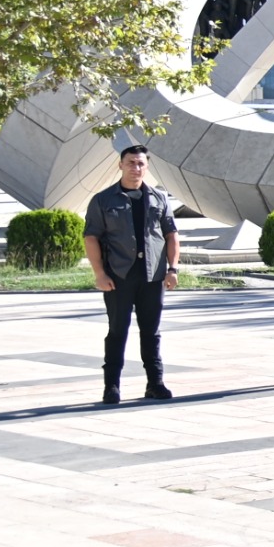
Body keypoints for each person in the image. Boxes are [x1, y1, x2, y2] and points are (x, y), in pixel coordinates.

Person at [83, 142, 180, 404]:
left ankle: (155, 383)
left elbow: (171, 235)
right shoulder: (103, 200)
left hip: (153, 277)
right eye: (131, 163)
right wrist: (100, 274)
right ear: (121, 165)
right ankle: (111, 386)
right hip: (119, 277)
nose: (136, 168)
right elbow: (91, 237)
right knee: (118, 330)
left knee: (151, 331)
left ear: (147, 167)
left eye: (141, 164)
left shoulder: (159, 198)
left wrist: (172, 269)